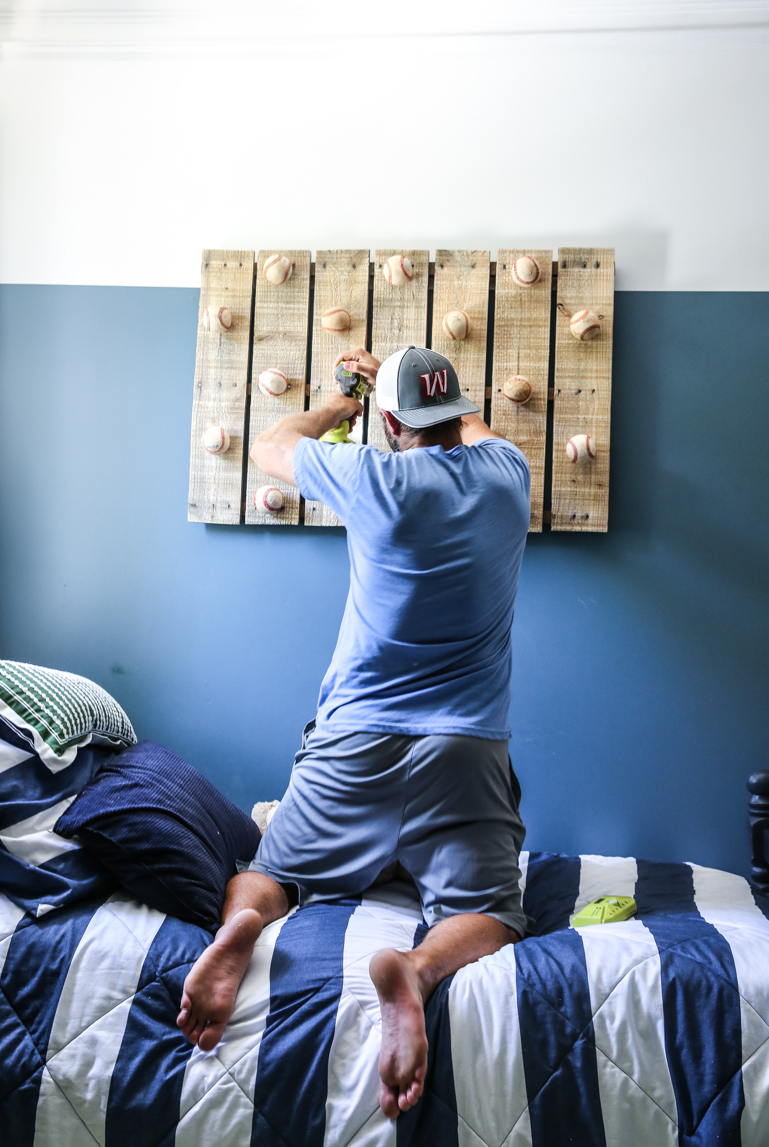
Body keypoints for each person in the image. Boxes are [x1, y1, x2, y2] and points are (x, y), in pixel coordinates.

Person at [177, 344, 531, 1119]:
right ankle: (419, 968)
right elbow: (466, 426)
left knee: (270, 874)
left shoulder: (376, 478)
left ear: (392, 421)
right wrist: (422, 402)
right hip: (464, 745)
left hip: (355, 737)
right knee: (494, 915)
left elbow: (272, 445)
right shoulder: (509, 474)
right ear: (460, 411)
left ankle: (242, 926)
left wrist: (346, 402)